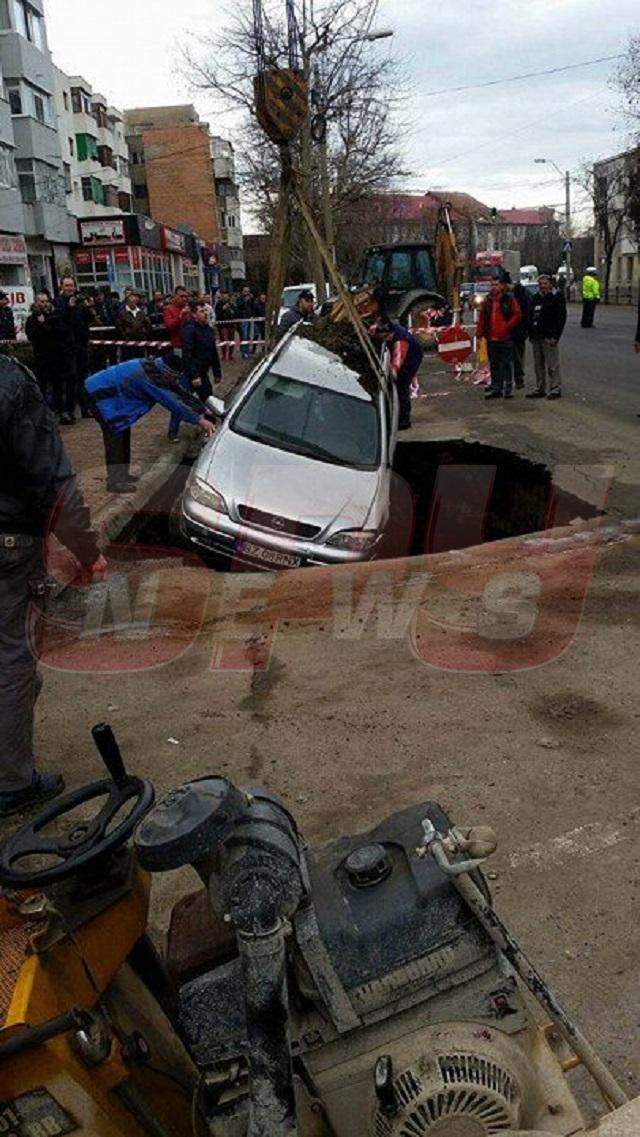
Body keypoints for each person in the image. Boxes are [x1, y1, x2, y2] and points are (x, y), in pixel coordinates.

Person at [0, 352, 106, 817]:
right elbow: (52, 478)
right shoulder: (10, 382)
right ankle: (11, 783)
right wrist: (86, 549)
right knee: (12, 658)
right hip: (8, 544)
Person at [85, 353, 216, 492]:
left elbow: (178, 391)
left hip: (110, 394)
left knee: (123, 431)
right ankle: (115, 482)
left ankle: (122, 474)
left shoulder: (156, 369)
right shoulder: (149, 377)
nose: (177, 380)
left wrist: (202, 408)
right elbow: (172, 402)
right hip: (98, 394)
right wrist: (199, 420)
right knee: (115, 434)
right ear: (168, 372)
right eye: (176, 377)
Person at [370, 317, 424, 430]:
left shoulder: (401, 342)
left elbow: (397, 363)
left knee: (401, 387)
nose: (385, 339)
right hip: (401, 352)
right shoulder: (378, 328)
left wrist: (392, 375)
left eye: (386, 337)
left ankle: (404, 421)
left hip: (411, 358)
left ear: (391, 333)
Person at [476, 271, 522, 400]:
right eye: (492, 285)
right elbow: (482, 318)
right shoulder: (488, 301)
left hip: (505, 337)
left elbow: (517, 314)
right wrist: (480, 334)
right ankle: (497, 387)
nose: (494, 287)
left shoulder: (508, 299)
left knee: (506, 363)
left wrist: (507, 326)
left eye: (496, 284)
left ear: (501, 285)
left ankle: (508, 388)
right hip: (491, 337)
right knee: (494, 364)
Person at [53, 276, 93, 422]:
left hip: (81, 346)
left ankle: (85, 407)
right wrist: (69, 308)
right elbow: (58, 323)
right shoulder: (57, 302)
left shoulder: (79, 302)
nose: (70, 288)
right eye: (67, 285)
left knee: (83, 377)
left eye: (71, 285)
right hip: (66, 348)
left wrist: (88, 307)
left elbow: (88, 319)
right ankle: (68, 410)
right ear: (61, 287)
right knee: (70, 378)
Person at [525, 273, 567, 400]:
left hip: (549, 336)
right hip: (536, 336)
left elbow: (560, 318)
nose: (542, 286)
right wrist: (530, 332)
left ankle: (555, 388)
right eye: (540, 284)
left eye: (545, 284)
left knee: (552, 364)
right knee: (538, 365)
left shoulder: (556, 297)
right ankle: (540, 387)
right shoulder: (535, 298)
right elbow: (530, 315)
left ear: (550, 284)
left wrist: (556, 336)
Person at [25, 293, 63, 413]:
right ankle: (45, 410)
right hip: (41, 356)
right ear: (36, 302)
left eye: (46, 301)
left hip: (55, 355)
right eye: (41, 301)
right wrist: (40, 325)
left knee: (57, 384)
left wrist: (46, 323)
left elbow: (59, 333)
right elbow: (32, 336)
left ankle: (60, 409)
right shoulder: (31, 319)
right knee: (43, 384)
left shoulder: (54, 316)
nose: (44, 304)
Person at [181, 301, 222, 403]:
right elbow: (187, 354)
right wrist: (194, 376)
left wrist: (217, 373)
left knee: (209, 401)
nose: (205, 313)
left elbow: (213, 352)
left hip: (203, 373)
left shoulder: (209, 330)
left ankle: (210, 418)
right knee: (183, 404)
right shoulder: (189, 330)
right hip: (190, 374)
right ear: (194, 315)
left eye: (206, 311)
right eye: (202, 311)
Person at [116, 291, 153, 360]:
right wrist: (125, 337)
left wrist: (144, 335)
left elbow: (148, 325)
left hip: (140, 341)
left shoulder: (141, 312)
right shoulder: (122, 313)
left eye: (134, 300)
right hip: (128, 342)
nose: (133, 302)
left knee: (140, 360)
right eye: (131, 300)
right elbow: (119, 326)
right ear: (127, 301)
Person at [512, 280, 531, 389]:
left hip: (516, 331)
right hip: (520, 331)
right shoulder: (524, 295)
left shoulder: (516, 296)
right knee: (517, 355)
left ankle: (517, 379)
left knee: (515, 356)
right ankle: (517, 378)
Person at [163, 286, 190, 350]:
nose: (184, 299)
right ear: (175, 296)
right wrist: (180, 316)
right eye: (181, 296)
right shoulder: (168, 309)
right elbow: (170, 326)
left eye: (186, 296)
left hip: (191, 344)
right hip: (178, 345)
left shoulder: (189, 308)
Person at [216, 292, 237, 362]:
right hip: (223, 325)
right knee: (224, 341)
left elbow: (236, 312)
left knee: (231, 340)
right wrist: (223, 309)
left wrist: (232, 309)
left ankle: (230, 355)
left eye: (226, 297)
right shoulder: (219, 304)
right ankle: (224, 355)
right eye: (224, 297)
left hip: (231, 324)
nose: (225, 298)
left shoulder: (231, 304)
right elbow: (217, 314)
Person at [236, 286, 256, 360]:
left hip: (249, 318)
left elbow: (253, 307)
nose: (247, 293)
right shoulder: (239, 299)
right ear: (242, 292)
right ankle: (244, 352)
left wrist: (252, 299)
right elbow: (239, 307)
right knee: (244, 336)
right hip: (242, 318)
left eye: (248, 291)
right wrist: (244, 301)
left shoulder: (250, 299)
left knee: (247, 336)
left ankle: (247, 351)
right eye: (245, 291)